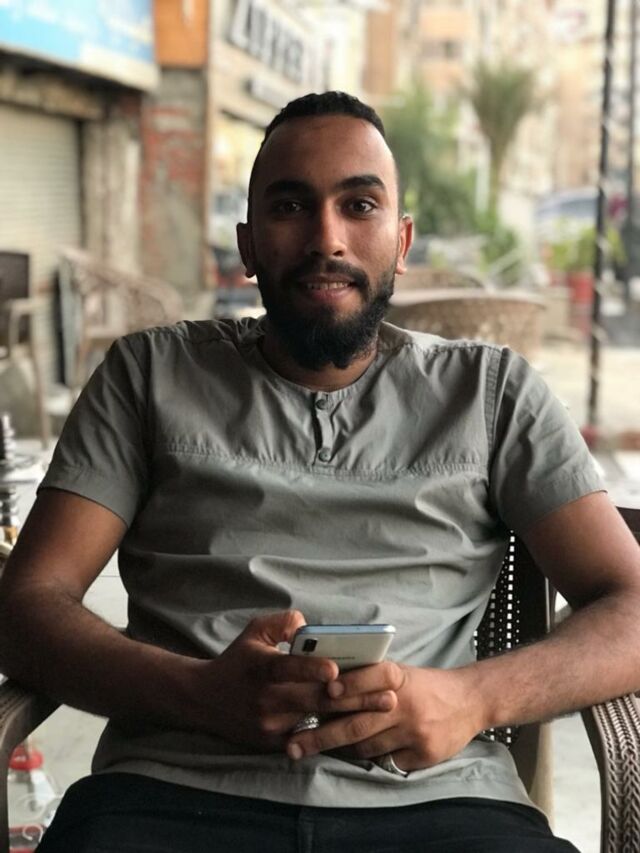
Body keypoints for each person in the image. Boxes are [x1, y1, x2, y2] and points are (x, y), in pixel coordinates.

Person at [1, 91, 639, 853]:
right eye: (290, 206)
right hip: (170, 794)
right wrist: (198, 694)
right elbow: (26, 605)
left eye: (359, 205)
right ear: (247, 244)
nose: (326, 237)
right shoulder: (149, 376)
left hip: (441, 803)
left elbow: (632, 604)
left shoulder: (492, 394)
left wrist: (471, 698)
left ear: (401, 239)